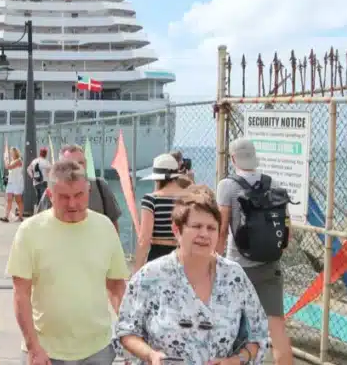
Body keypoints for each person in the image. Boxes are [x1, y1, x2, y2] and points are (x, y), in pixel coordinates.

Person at [114, 188, 269, 363]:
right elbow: (125, 331)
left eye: (211, 228)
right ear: (177, 230)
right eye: (196, 226)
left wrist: (237, 359)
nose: (204, 234)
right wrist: (150, 355)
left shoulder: (234, 276)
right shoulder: (150, 276)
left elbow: (259, 334)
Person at [7, 160, 128, 364]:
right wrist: (33, 347)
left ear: (88, 191)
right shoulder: (29, 231)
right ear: (50, 194)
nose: (72, 204)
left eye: (79, 195)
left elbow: (116, 287)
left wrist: (128, 337)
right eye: (64, 197)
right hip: (46, 351)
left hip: (98, 349)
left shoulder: (105, 227)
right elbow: (21, 294)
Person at [217, 138, 294, 365]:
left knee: (230, 328)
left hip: (238, 267)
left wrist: (216, 262)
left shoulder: (227, 186)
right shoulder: (273, 183)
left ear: (233, 158)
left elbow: (221, 230)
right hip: (270, 265)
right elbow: (286, 229)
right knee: (278, 330)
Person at [36, 144, 122, 231]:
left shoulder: (100, 186)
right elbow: (41, 223)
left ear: (86, 164)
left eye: (80, 163)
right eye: (71, 163)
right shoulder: (53, 190)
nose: (77, 167)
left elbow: (113, 222)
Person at [134, 153, 192, 273]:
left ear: (156, 178)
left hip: (158, 254)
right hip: (184, 254)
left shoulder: (151, 199)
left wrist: (136, 270)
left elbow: (144, 238)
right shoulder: (190, 197)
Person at [0, 147, 24, 223]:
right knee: (9, 199)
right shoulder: (12, 161)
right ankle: (6, 216)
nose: (11, 154)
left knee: (18, 200)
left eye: (12, 152)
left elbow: (9, 167)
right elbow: (9, 168)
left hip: (18, 183)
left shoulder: (19, 161)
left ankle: (20, 217)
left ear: (16, 153)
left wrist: (5, 160)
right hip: (11, 183)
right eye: (10, 152)